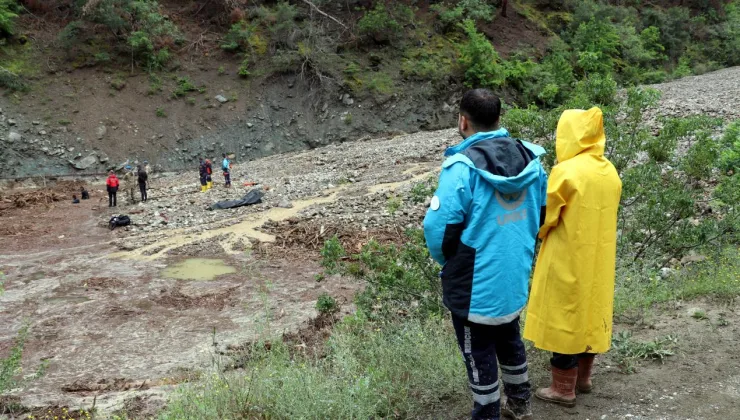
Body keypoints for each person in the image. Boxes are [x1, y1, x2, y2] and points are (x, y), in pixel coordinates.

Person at [423, 89, 548, 420]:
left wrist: (451, 262)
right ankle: (520, 403)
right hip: (514, 272)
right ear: (498, 119)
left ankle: (487, 413)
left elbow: (439, 230)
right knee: (509, 335)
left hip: (474, 282)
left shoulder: (460, 169)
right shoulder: (531, 159)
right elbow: (542, 214)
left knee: (476, 351)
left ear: (463, 121)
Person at [523, 107, 622, 408]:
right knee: (589, 312)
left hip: (567, 256)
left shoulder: (566, 171)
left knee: (564, 317)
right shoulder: (609, 171)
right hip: (599, 259)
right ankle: (584, 378)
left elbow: (545, 219)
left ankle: (562, 389)